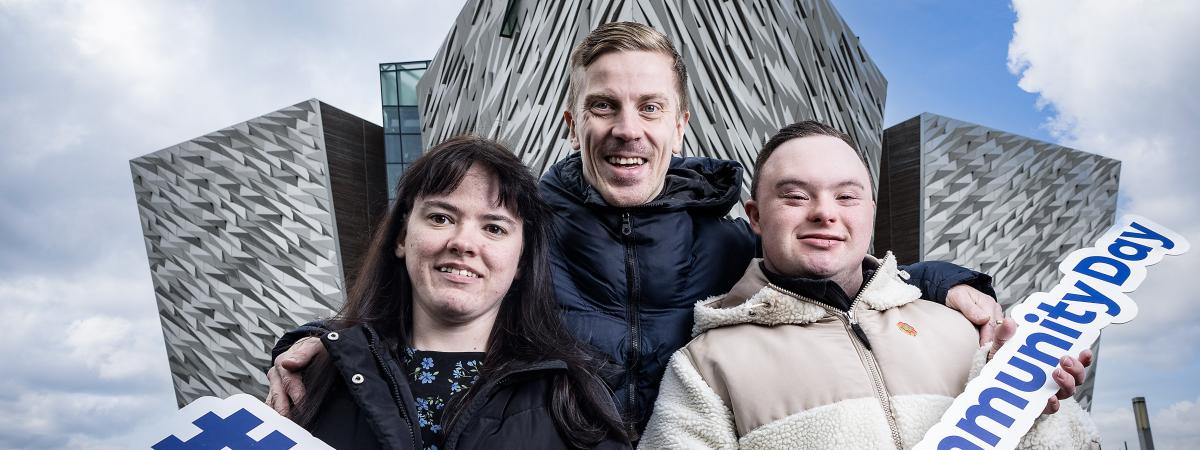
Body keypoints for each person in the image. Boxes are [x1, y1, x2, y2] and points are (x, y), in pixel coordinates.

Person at [269, 22, 1012, 434]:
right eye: (604, 107)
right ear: (571, 122)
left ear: (679, 123)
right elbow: (426, 302)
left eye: (649, 108)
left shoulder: (734, 243)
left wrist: (955, 287)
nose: (628, 130)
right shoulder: (523, 235)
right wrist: (309, 341)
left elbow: (856, 275)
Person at [638, 121, 1100, 449]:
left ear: (870, 212)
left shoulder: (966, 331)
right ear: (755, 216)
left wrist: (1033, 409)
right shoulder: (704, 366)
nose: (825, 212)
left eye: (846, 195)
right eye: (796, 196)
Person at [287, 136, 630, 449]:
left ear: (522, 259)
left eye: (494, 227)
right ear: (403, 237)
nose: (463, 243)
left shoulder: (574, 399)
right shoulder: (318, 376)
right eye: (440, 218)